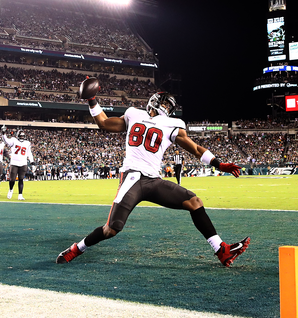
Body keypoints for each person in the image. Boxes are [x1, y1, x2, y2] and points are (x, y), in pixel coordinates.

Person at [56, 89, 249, 267]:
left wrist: (219, 164)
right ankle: (77, 248)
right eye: (164, 103)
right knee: (112, 229)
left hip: (153, 181)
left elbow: (196, 149)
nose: (165, 108)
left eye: (168, 106)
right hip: (132, 178)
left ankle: (220, 249)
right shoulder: (134, 114)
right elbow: (104, 123)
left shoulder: (173, 124)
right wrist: (92, 101)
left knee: (194, 202)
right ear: (154, 102)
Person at [2, 126, 35, 200]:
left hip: (23, 163)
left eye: (23, 136)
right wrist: (4, 133)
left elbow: (29, 153)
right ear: (18, 136)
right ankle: (10, 190)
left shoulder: (27, 143)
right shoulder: (14, 140)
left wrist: (32, 161)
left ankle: (20, 195)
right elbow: (6, 140)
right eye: (20, 136)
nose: (22, 137)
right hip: (14, 162)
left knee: (21, 179)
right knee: (12, 179)